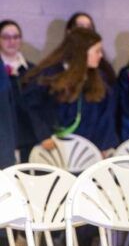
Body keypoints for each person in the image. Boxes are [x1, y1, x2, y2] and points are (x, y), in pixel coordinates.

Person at [23, 28, 118, 154]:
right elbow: (32, 107)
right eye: (97, 51)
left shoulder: (99, 79)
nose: (101, 55)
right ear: (82, 52)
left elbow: (105, 117)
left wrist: (102, 147)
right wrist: (44, 135)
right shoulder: (49, 76)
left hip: (88, 151)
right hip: (54, 149)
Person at [0, 20, 37, 162]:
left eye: (16, 37)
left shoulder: (32, 70)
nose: (12, 41)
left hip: (28, 137)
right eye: (6, 37)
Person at [65, 11, 116, 86]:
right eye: (81, 26)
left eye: (89, 27)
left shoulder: (103, 67)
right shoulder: (59, 64)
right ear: (69, 32)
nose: (85, 30)